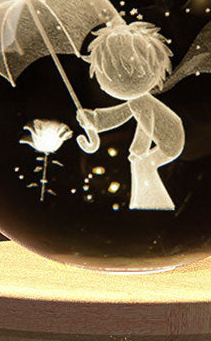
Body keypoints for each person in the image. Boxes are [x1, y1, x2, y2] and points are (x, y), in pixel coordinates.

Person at [76, 18, 184, 211]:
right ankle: (148, 204)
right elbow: (124, 113)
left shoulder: (141, 102)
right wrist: (95, 120)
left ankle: (151, 205)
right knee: (142, 164)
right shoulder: (138, 100)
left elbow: (146, 123)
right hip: (170, 137)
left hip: (171, 140)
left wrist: (139, 150)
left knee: (142, 164)